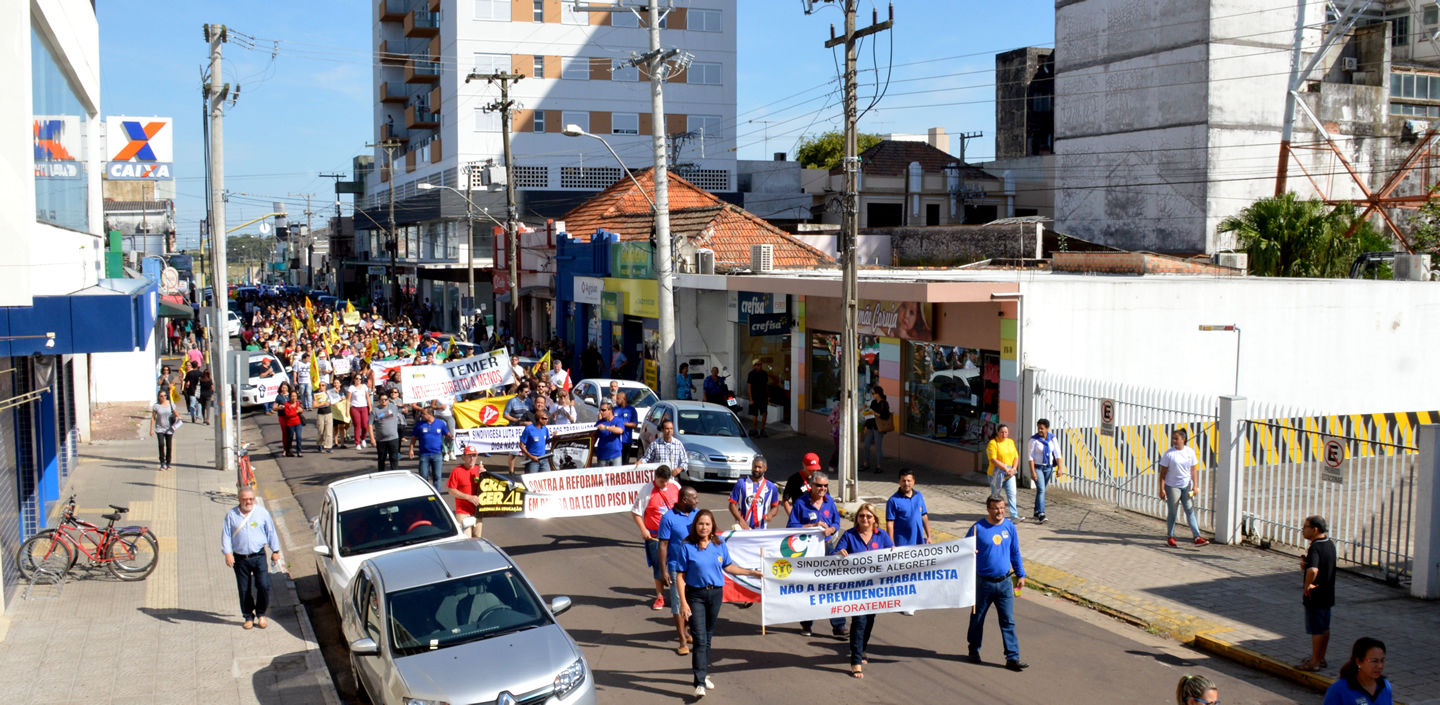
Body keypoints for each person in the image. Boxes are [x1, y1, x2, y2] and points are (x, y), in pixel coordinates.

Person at [672, 509, 763, 698]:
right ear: (695, 526)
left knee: (708, 636)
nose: (704, 527)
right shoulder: (687, 546)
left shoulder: (719, 543)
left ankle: (703, 674)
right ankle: (699, 682)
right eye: (700, 524)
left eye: (707, 524)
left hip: (715, 595)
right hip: (695, 595)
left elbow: (728, 566)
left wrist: (750, 573)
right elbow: (680, 576)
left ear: (712, 526)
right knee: (699, 638)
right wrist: (683, 602)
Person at [966, 494, 1028, 671]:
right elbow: (964, 550)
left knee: (1008, 621)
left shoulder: (1009, 527)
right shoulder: (977, 528)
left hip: (1005, 583)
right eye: (995, 508)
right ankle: (973, 649)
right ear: (988, 509)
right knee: (977, 618)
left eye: (1002, 508)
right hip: (982, 583)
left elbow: (1015, 552)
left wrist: (1021, 575)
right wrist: (972, 553)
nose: (999, 511)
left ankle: (1012, 658)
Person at [832, 503, 894, 678]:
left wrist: (894, 553)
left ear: (874, 519)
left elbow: (892, 554)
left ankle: (862, 648)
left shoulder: (881, 536)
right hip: (855, 588)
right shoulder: (849, 535)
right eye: (861, 516)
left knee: (869, 620)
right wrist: (839, 554)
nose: (865, 519)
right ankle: (856, 660)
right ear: (857, 518)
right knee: (859, 622)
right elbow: (835, 555)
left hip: (875, 588)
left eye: (868, 516)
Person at [787, 470, 843, 638]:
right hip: (808, 553)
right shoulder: (800, 503)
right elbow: (791, 527)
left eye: (825, 486)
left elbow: (837, 522)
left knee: (833, 585)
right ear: (811, 486)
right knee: (810, 587)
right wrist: (812, 527)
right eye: (819, 485)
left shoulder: (830, 502)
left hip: (827, 549)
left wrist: (832, 529)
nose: (822, 489)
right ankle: (806, 624)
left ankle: (839, 625)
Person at [221, 487, 282, 630]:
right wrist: (228, 553)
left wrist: (276, 550)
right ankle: (248, 616)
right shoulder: (231, 515)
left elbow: (271, 532)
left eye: (251, 499)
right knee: (244, 589)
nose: (248, 502)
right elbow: (226, 535)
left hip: (259, 556)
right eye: (245, 499)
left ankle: (261, 614)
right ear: (239, 499)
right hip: (240, 558)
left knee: (263, 586)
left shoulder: (262, 513)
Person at [630, 465, 680, 610]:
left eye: (666, 481)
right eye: (661, 481)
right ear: (655, 477)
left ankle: (679, 593)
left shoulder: (675, 486)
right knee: (659, 566)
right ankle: (660, 597)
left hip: (675, 535)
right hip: (655, 536)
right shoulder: (646, 491)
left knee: (679, 564)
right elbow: (636, 512)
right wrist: (643, 529)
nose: (664, 484)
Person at [657, 486, 700, 655]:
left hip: (695, 566)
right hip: (677, 568)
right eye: (694, 498)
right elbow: (663, 544)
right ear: (684, 500)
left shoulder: (697, 515)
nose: (697, 501)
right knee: (678, 603)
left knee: (692, 601)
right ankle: (682, 640)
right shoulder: (668, 518)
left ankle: (687, 631)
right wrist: (663, 571)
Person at [886, 467, 931, 617]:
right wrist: (891, 542)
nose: (906, 483)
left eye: (909, 480)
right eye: (904, 480)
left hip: (918, 541)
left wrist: (929, 535)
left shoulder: (919, 496)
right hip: (902, 542)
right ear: (899, 481)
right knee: (904, 574)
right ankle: (905, 603)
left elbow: (924, 515)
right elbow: (890, 523)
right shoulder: (893, 500)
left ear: (914, 481)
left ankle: (914, 598)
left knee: (916, 571)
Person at [1298, 515, 1337, 672]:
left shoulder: (1315, 547)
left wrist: (1307, 586)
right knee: (1325, 627)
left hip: (1316, 595)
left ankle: (1314, 661)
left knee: (1316, 629)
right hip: (1328, 593)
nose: (1303, 530)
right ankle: (1321, 658)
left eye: (1305, 527)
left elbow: (1313, 570)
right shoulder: (1329, 544)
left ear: (1315, 529)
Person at [1159, 429, 1209, 547]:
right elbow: (1163, 473)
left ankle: (1197, 536)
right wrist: (1162, 489)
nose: (1174, 441)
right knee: (1173, 511)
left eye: (1177, 438)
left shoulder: (1190, 452)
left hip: (1186, 486)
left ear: (1183, 439)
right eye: (1173, 439)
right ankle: (1171, 536)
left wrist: (1195, 485)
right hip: (1172, 486)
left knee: (1189, 510)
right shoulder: (1169, 454)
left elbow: (1193, 469)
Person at [1323, 637, 1391, 705]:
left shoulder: (1385, 686)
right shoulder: (1339, 689)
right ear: (1359, 661)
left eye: (1382, 660)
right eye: (1374, 661)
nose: (1380, 666)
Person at [1027, 418, 1064, 524]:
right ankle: (1041, 513)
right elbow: (1030, 457)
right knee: (1042, 489)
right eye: (1038, 428)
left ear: (1047, 429)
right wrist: (1032, 472)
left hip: (1048, 467)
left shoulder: (1052, 439)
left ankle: (1036, 510)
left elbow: (1057, 454)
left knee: (1041, 490)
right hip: (1038, 467)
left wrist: (1060, 469)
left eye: (1042, 428)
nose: (1040, 430)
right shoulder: (1033, 440)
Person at [728, 457, 781, 529]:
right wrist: (740, 520)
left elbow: (775, 507)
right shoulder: (741, 483)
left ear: (765, 468)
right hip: (742, 528)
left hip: (761, 530)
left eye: (759, 467)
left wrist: (771, 514)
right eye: (755, 466)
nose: (756, 469)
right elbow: (732, 505)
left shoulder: (771, 487)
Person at [445, 446, 485, 538]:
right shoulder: (457, 471)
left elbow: (489, 489)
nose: (472, 458)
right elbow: (451, 490)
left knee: (477, 539)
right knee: (466, 540)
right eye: (469, 455)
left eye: (474, 455)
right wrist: (469, 497)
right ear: (463, 457)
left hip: (477, 511)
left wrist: (485, 476)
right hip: (463, 512)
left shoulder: (479, 470)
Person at [409, 405, 452, 491]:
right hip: (424, 455)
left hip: (437, 454)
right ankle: (426, 493)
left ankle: (437, 494)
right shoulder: (419, 425)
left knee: (437, 476)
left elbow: (447, 433)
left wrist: (451, 436)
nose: (422, 415)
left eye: (423, 414)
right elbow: (413, 438)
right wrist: (411, 449)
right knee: (423, 476)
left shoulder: (440, 423)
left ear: (430, 414)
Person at [986, 424, 1022, 522]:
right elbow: (993, 459)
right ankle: (993, 514)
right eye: (1002, 432)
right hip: (996, 474)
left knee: (1012, 494)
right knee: (995, 496)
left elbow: (1016, 457)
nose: (1004, 434)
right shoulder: (993, 443)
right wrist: (1006, 468)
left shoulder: (1010, 442)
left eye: (1006, 432)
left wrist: (1014, 468)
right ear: (997, 432)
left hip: (1010, 474)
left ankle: (1014, 516)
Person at [860, 385, 892, 473]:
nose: (873, 395)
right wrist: (866, 426)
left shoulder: (884, 403)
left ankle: (879, 466)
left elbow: (885, 416)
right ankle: (865, 463)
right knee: (866, 445)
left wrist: (875, 413)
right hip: (871, 426)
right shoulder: (874, 402)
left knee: (878, 447)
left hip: (879, 428)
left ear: (878, 394)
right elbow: (870, 415)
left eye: (873, 393)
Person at [782, 452, 823, 516]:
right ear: (803, 465)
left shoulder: (820, 479)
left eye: (814, 469)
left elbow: (827, 499)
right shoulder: (794, 479)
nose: (812, 471)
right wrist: (791, 516)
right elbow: (785, 500)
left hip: (818, 516)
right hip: (800, 516)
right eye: (810, 469)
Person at [370, 393, 402, 472]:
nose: (384, 401)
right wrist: (372, 439)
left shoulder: (394, 407)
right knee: (381, 459)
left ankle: (394, 474)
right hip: (381, 440)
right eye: (382, 400)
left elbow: (405, 408)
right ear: (379, 401)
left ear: (388, 400)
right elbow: (370, 424)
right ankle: (381, 475)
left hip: (393, 438)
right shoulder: (375, 410)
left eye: (385, 399)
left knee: (394, 458)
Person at [611, 381, 640, 463]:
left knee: (624, 462)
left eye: (618, 398)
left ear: (624, 399)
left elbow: (635, 424)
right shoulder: (614, 409)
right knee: (615, 463)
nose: (616, 400)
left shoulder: (631, 410)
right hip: (615, 441)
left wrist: (622, 423)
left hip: (626, 440)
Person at [150, 389, 178, 471]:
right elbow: (153, 418)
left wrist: (178, 418)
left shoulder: (171, 404)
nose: (163, 397)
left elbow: (176, 413)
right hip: (159, 428)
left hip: (169, 428)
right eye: (161, 396)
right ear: (158, 397)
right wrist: (151, 429)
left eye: (165, 396)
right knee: (161, 444)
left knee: (169, 446)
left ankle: (168, 462)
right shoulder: (156, 406)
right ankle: (162, 462)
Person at [275, 382, 304, 457]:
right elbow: (288, 413)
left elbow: (301, 409)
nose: (284, 389)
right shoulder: (279, 397)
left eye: (285, 387)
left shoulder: (294, 399)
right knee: (287, 435)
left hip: (297, 422)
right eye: (283, 387)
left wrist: (298, 410)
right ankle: (286, 449)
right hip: (285, 418)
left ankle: (298, 451)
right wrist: (279, 408)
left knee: (298, 437)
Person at [593, 402, 625, 467]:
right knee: (602, 476)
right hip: (602, 455)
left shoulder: (618, 420)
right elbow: (594, 436)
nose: (601, 412)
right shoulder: (599, 423)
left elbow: (620, 431)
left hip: (615, 455)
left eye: (603, 410)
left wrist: (606, 427)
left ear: (610, 410)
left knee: (616, 476)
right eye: (600, 410)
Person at [745, 359, 769, 436]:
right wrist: (751, 399)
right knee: (755, 414)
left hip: (763, 397)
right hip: (755, 397)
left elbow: (766, 386)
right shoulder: (751, 374)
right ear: (754, 366)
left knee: (764, 413)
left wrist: (768, 397)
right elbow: (749, 387)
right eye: (758, 365)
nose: (760, 366)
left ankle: (762, 429)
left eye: (760, 364)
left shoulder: (764, 373)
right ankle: (755, 429)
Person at [347, 374, 372, 450]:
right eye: (357, 378)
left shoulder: (364, 386)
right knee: (357, 425)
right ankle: (357, 443)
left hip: (364, 407)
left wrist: (370, 407)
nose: (358, 380)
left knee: (365, 425)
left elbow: (368, 398)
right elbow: (348, 400)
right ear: (354, 379)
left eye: (360, 379)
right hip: (354, 408)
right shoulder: (351, 388)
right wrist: (347, 411)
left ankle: (363, 438)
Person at [314, 376, 334, 454]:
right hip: (321, 413)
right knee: (321, 430)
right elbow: (314, 405)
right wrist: (322, 403)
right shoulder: (317, 394)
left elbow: (333, 401)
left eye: (323, 385)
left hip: (328, 413)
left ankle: (328, 446)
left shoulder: (328, 393)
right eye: (320, 385)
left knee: (329, 431)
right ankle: (320, 444)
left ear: (326, 386)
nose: (321, 387)